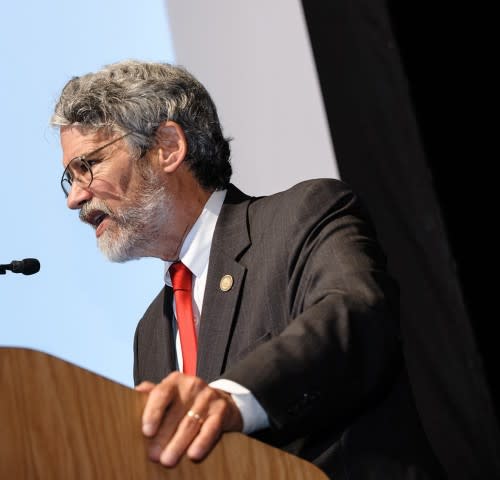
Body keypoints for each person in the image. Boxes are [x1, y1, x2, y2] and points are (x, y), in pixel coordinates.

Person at [50, 60, 443, 479]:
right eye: (70, 178)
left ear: (168, 147)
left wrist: (231, 399)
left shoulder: (303, 216)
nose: (74, 199)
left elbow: (354, 316)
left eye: (87, 166)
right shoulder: (149, 333)